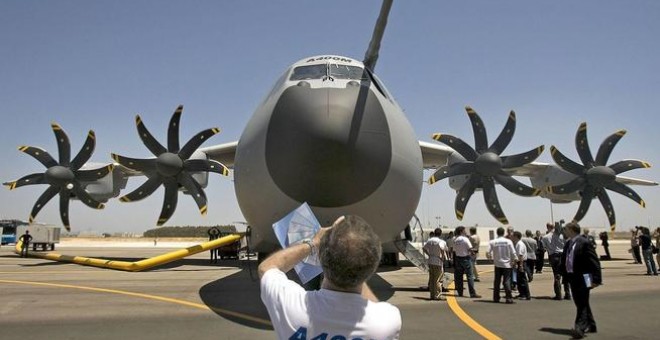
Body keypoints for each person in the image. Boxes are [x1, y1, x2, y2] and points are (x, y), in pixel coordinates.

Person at [259, 215, 401, 340]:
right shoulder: (388, 321)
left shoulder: (291, 306)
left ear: (323, 258)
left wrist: (313, 244)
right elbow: (375, 306)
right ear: (372, 266)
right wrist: (357, 263)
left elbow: (266, 268)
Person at [559, 222, 602, 339]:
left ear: (572, 230)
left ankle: (580, 328)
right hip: (573, 277)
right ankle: (591, 325)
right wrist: (563, 276)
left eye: (566, 229)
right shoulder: (569, 243)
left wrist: (596, 279)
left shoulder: (585, 243)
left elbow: (594, 261)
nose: (564, 232)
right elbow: (566, 261)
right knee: (581, 302)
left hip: (586, 277)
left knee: (582, 302)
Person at [487, 227, 517, 304]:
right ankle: (508, 298)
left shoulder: (493, 241)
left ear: (497, 233)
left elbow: (488, 252)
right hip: (507, 265)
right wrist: (515, 261)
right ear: (503, 233)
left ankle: (496, 297)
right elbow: (513, 253)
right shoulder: (508, 241)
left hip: (497, 264)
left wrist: (490, 259)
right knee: (507, 281)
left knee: (497, 281)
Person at [542, 221, 571, 300]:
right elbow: (567, 245)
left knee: (557, 275)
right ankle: (567, 293)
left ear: (547, 227)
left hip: (553, 256)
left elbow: (543, 248)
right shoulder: (561, 236)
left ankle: (558, 295)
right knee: (565, 275)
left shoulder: (545, 237)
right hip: (563, 255)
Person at [452, 226, 481, 298]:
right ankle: (472, 293)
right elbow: (470, 249)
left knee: (459, 276)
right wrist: (473, 253)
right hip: (466, 258)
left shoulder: (455, 240)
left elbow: (454, 250)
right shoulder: (465, 239)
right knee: (470, 276)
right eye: (464, 230)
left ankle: (460, 292)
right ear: (461, 231)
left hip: (458, 259)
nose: (465, 232)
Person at [423, 228, 448, 300]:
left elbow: (424, 248)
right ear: (440, 234)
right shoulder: (441, 241)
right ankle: (437, 295)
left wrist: (429, 254)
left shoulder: (430, 240)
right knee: (438, 280)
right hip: (437, 261)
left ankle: (432, 295)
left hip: (431, 260)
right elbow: (443, 249)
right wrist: (442, 258)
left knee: (432, 279)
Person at [512, 231, 531, 300]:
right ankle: (521, 294)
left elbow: (520, 256)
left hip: (522, 262)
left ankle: (526, 295)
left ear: (516, 236)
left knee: (523, 280)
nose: (512, 237)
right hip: (520, 262)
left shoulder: (519, 244)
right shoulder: (517, 244)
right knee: (519, 280)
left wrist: (520, 265)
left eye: (513, 236)